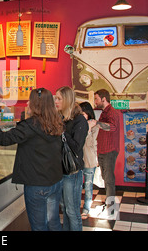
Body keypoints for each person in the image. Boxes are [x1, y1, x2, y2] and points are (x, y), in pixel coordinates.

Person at [0, 88, 64, 231]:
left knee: (39, 226)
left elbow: (2, 139)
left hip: (37, 184)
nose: (27, 103)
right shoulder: (57, 122)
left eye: (30, 100)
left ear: (36, 104)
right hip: (55, 181)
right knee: (53, 221)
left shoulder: (30, 125)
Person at [55, 86, 88, 231]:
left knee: (72, 211)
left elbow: (77, 146)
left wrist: (62, 130)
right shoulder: (60, 118)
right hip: (59, 170)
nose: (56, 101)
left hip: (72, 172)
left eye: (59, 98)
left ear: (67, 100)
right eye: (55, 98)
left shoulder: (79, 120)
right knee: (64, 209)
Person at [94, 88, 120, 213]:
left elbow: (113, 127)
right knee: (105, 177)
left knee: (109, 179)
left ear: (103, 99)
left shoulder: (112, 112)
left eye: (96, 99)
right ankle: (110, 202)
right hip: (103, 150)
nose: (95, 102)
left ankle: (111, 207)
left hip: (109, 150)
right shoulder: (104, 112)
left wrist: (96, 123)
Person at [79, 101, 99, 220]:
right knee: (77, 186)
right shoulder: (79, 125)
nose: (81, 116)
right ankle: (76, 208)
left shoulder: (95, 126)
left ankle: (86, 209)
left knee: (88, 186)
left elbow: (91, 143)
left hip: (90, 160)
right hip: (79, 160)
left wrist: (88, 129)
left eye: (83, 113)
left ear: (88, 113)